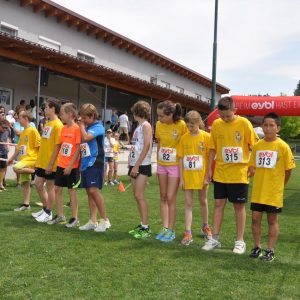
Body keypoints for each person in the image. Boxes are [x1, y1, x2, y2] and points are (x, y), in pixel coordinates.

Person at [202, 96, 258, 254]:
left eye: (228, 115)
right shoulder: (217, 124)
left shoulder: (244, 123)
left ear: (235, 110)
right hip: (220, 172)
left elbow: (255, 146)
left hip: (239, 174)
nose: (225, 119)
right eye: (222, 116)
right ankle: (215, 238)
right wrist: (209, 170)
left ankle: (240, 241)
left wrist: (252, 166)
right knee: (218, 204)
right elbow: (212, 148)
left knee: (239, 206)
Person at [248, 113, 295, 262]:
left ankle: (270, 250)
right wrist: (251, 171)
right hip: (258, 191)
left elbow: (288, 170)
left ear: (278, 128)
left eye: (271, 125)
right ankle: (257, 247)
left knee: (272, 220)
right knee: (255, 218)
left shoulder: (283, 147)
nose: (268, 128)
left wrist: (280, 186)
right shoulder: (257, 146)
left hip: (273, 192)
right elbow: (252, 166)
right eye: (265, 125)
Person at [178, 111, 212, 245]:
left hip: (202, 176)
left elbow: (210, 157)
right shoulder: (184, 138)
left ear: (198, 123)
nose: (190, 128)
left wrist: (207, 174)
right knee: (188, 203)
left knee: (203, 201)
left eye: (192, 125)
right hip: (188, 177)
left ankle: (206, 226)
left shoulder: (206, 137)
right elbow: (180, 158)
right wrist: (181, 178)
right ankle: (188, 232)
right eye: (188, 125)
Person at [155, 100, 188, 242]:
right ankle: (165, 227)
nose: (159, 119)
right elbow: (160, 143)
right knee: (162, 196)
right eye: (158, 116)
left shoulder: (181, 125)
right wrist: (157, 162)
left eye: (162, 116)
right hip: (162, 164)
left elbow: (186, 144)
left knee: (170, 197)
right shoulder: (158, 125)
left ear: (171, 115)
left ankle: (172, 230)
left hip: (174, 165)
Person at [78, 103, 111, 232]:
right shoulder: (86, 127)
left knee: (93, 191)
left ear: (92, 116)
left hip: (95, 162)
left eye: (85, 118)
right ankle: (93, 220)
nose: (83, 121)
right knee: (89, 192)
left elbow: (86, 138)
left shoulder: (98, 127)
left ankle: (105, 220)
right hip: (86, 163)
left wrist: (81, 126)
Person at [48, 103, 81, 227]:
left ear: (70, 114)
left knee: (72, 191)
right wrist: (53, 163)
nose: (61, 115)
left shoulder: (77, 129)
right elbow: (60, 146)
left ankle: (74, 217)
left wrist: (70, 165)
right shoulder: (63, 128)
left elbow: (78, 149)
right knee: (57, 189)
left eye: (62, 113)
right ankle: (60, 215)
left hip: (72, 166)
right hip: (61, 164)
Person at [31, 99, 63, 223]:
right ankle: (45, 209)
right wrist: (38, 160)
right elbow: (44, 144)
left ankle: (48, 212)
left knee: (50, 187)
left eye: (46, 107)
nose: (44, 110)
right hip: (42, 161)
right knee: (38, 184)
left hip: (51, 163)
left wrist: (50, 164)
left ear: (53, 109)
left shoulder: (58, 125)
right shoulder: (48, 123)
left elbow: (57, 146)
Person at [128, 100, 152, 239]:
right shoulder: (138, 126)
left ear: (137, 113)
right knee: (136, 196)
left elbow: (147, 145)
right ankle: (142, 224)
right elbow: (136, 146)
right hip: (135, 163)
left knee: (139, 195)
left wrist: (137, 165)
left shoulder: (146, 126)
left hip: (142, 164)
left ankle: (145, 226)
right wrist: (132, 163)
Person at [7, 111, 40, 211]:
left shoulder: (33, 130)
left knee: (16, 168)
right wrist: (11, 159)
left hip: (30, 159)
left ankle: (34, 171)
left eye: (20, 118)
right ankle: (26, 205)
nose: (18, 120)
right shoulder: (23, 132)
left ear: (26, 119)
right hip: (24, 159)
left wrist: (37, 162)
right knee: (25, 182)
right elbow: (18, 148)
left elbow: (39, 146)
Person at [0, 119, 10, 192]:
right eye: (3, 127)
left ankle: (1, 184)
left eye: (6, 128)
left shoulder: (7, 131)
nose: (5, 129)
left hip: (4, 152)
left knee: (3, 168)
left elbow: (8, 139)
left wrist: (8, 145)